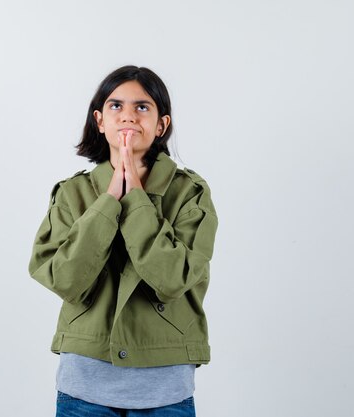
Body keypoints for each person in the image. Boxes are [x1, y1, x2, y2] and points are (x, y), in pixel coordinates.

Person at [28, 65, 218, 416]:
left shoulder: (190, 193)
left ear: (161, 125)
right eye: (116, 106)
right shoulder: (73, 193)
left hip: (165, 387)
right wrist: (109, 199)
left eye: (142, 107)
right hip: (84, 385)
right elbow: (65, 279)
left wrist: (134, 197)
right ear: (99, 120)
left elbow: (173, 278)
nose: (128, 115)